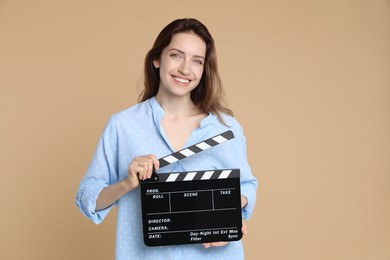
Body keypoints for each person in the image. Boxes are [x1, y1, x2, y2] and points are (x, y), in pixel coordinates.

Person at [76, 18, 258, 259]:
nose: (185, 69)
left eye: (197, 61)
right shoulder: (123, 125)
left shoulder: (226, 128)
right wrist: (125, 184)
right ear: (156, 59)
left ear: (204, 70)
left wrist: (228, 215)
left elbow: (247, 187)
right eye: (176, 55)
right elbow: (87, 198)